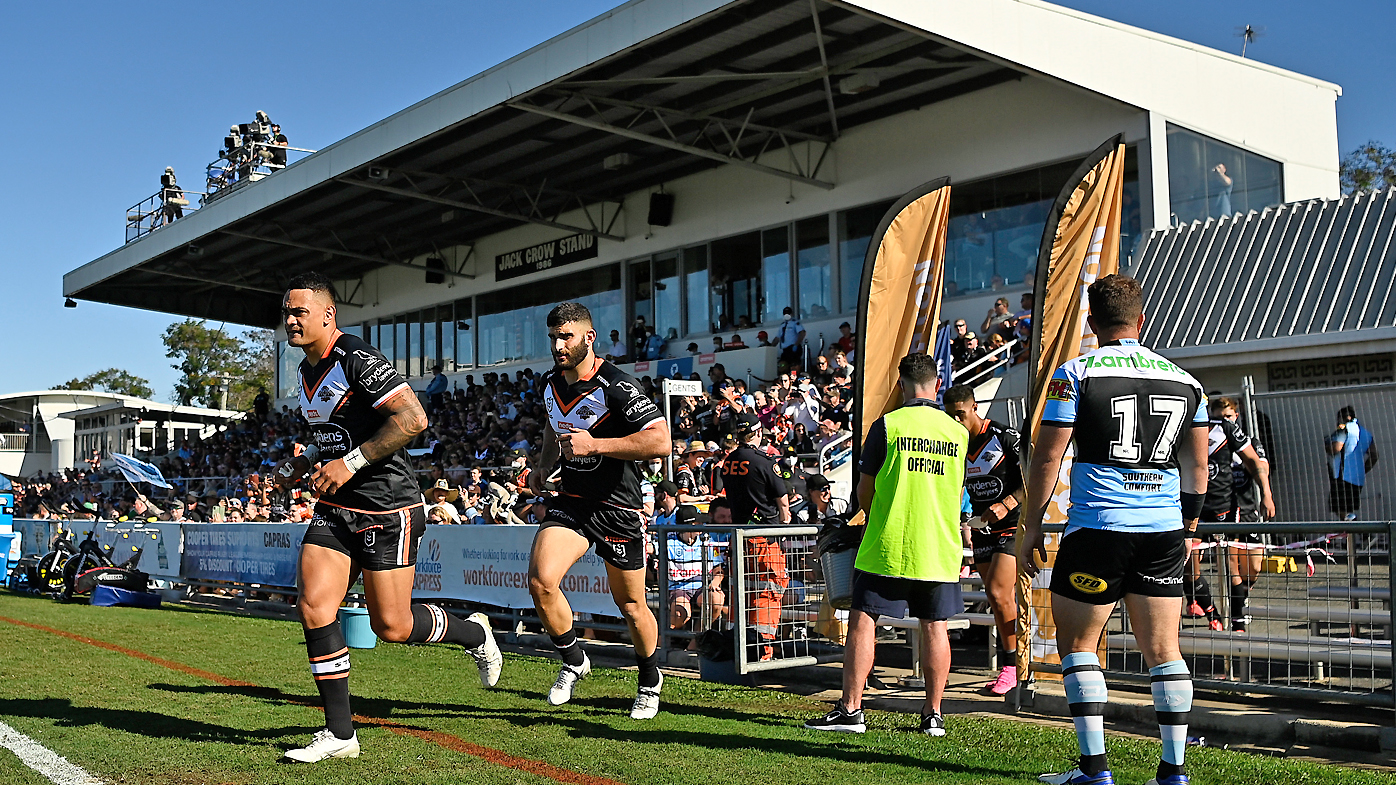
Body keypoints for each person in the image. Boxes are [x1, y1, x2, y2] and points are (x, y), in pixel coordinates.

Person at [274, 272, 502, 763]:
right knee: (315, 606)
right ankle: (340, 734)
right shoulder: (304, 368)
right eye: (287, 311)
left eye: (300, 312)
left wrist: (349, 463)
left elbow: (414, 420)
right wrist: (304, 458)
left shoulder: (356, 356)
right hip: (337, 508)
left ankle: (475, 632)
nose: (291, 320)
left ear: (328, 315)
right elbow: (336, 431)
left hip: (388, 507)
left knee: (392, 627)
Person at [1021, 274, 1208, 785]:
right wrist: (1188, 525)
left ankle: (1095, 770)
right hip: (1164, 529)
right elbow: (1198, 470)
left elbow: (1048, 456)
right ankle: (1172, 772)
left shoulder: (1075, 373)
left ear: (1091, 322)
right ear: (1141, 320)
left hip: (1100, 526)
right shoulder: (1185, 380)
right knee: (1165, 651)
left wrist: (1030, 526)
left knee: (1079, 646)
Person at [805, 353, 965, 737]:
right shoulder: (957, 432)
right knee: (935, 627)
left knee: (863, 621)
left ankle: (851, 709)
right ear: (936, 385)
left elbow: (865, 490)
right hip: (939, 544)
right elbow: (956, 490)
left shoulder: (888, 425)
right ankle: (933, 715)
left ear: (901, 385)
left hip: (889, 541)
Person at [526, 302, 672, 720]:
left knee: (631, 605)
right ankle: (574, 660)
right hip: (572, 500)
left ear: (589, 337)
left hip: (618, 506)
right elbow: (555, 426)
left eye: (566, 336)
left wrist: (597, 445)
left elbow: (660, 442)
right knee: (540, 581)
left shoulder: (618, 386)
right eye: (553, 336)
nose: (558, 345)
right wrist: (541, 464)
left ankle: (649, 680)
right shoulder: (550, 383)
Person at [943, 384, 1024, 696]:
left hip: (1011, 526)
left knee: (998, 591)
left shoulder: (1004, 436)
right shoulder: (955, 444)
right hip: (980, 528)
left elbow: (1031, 478)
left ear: (974, 407)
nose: (957, 422)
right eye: (951, 417)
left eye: (961, 415)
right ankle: (1011, 665)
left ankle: (1013, 667)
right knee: (997, 600)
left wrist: (1005, 505)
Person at [1188, 397, 1273, 631]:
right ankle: (1211, 611)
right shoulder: (1185, 430)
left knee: (1237, 565)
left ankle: (1237, 618)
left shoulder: (1229, 431)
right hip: (1193, 507)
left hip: (1227, 508)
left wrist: (1266, 493)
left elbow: (1255, 462)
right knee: (1188, 565)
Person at [720, 412, 790, 659]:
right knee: (768, 591)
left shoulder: (728, 462)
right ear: (758, 433)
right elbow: (783, 505)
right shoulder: (765, 462)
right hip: (764, 542)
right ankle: (763, 653)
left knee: (741, 593)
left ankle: (736, 649)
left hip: (738, 539)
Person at [1222, 404, 1273, 633]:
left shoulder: (1249, 441)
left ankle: (1242, 594)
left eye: (1229, 416)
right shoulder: (1213, 443)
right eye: (1221, 417)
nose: (1226, 421)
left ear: (1237, 416)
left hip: (1249, 508)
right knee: (1231, 564)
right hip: (1226, 510)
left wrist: (1266, 494)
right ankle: (1237, 617)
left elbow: (1263, 467)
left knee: (1254, 565)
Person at [1326, 405, 1378, 521]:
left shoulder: (1345, 430)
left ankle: (1357, 528)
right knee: (1347, 508)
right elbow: (1374, 455)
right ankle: (1352, 535)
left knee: (1337, 506)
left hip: (1343, 476)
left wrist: (1328, 444)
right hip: (1358, 478)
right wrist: (1363, 469)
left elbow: (1336, 449)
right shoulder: (1365, 433)